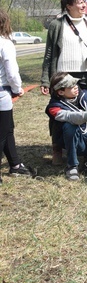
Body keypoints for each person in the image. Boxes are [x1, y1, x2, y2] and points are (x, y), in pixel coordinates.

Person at [41, 0, 87, 165]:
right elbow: (49, 54)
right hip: (64, 74)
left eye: (84, 1)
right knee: (60, 113)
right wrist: (46, 80)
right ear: (68, 6)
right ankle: (57, 149)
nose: (83, 5)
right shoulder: (56, 25)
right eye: (79, 2)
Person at [0, 10, 35, 182]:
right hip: (1, 93)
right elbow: (12, 72)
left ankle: (15, 164)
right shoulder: (5, 43)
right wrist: (17, 88)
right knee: (3, 132)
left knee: (7, 130)